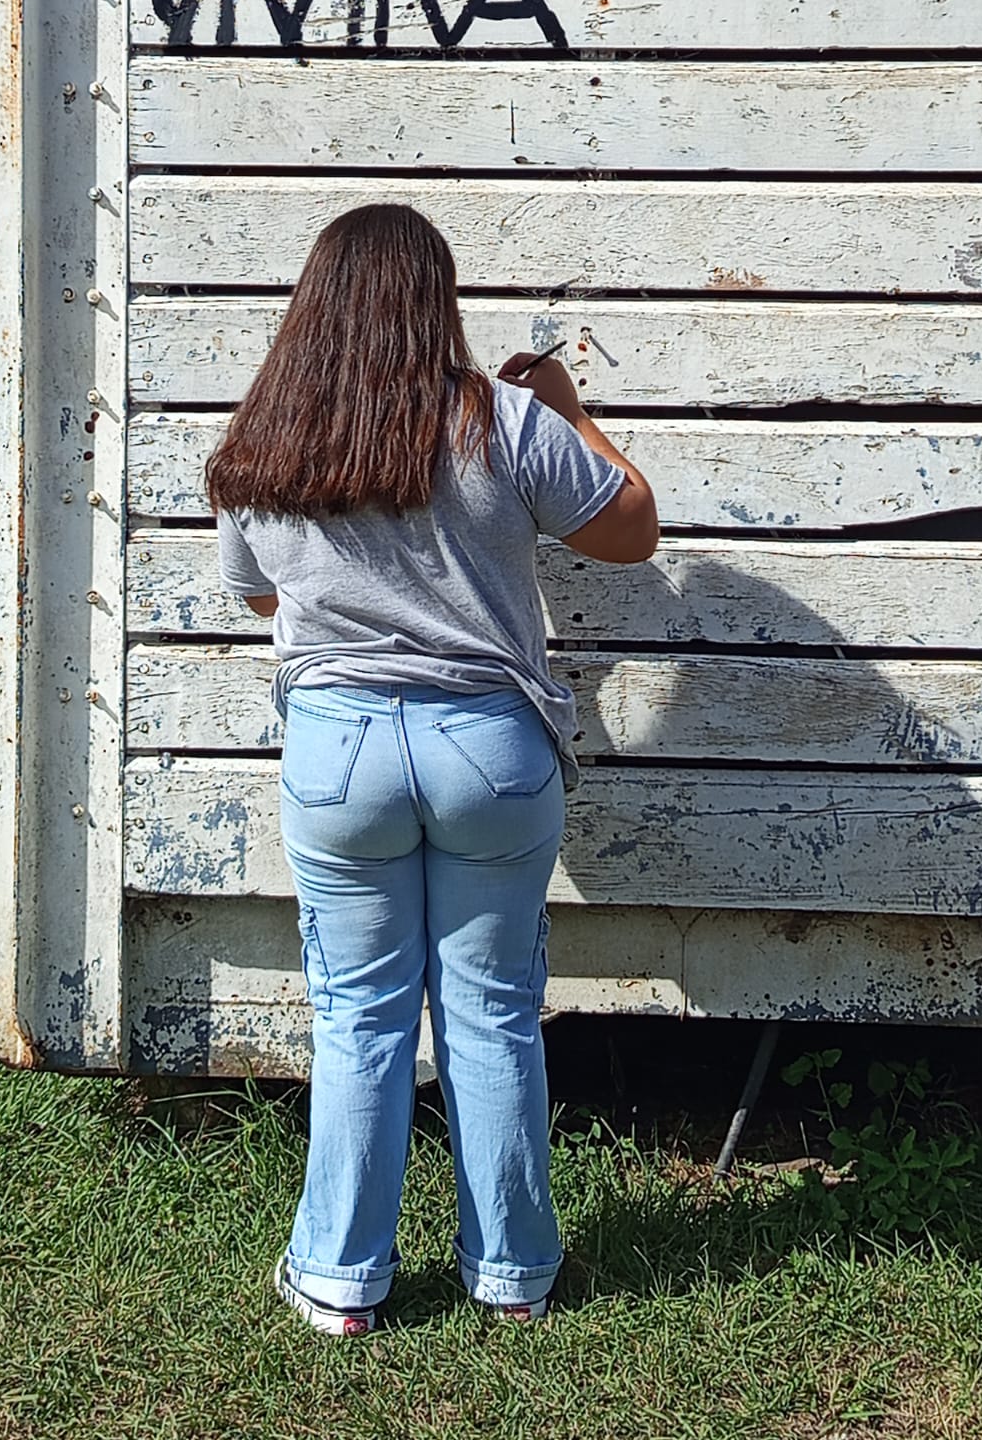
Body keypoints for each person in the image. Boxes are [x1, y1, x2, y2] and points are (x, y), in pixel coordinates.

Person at [208, 203, 658, 1335]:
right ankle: (512, 1276)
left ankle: (339, 1280)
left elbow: (261, 595)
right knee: (492, 1009)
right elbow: (633, 531)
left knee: (357, 1014)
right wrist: (573, 412)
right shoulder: (504, 420)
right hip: (488, 752)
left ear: (313, 307)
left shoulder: (265, 437)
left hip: (340, 754)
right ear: (436, 301)